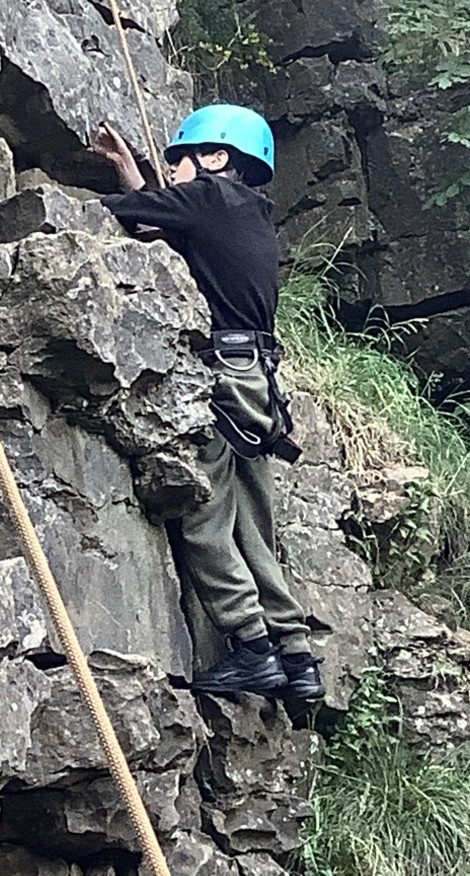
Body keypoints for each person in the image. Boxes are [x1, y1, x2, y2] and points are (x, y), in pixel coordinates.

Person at [93, 104, 325, 701]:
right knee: (255, 525)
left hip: (226, 377)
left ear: (217, 158)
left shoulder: (210, 198)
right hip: (259, 382)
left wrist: (120, 191)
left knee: (205, 516)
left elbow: (130, 215)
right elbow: (169, 220)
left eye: (181, 160)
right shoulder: (246, 211)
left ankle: (251, 646)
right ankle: (296, 657)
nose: (174, 171)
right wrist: (131, 170)